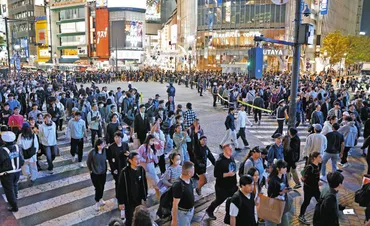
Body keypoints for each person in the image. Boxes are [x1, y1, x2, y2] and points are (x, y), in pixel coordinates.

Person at [206, 144, 238, 220]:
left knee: (235, 199)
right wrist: (227, 174)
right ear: (224, 150)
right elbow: (216, 174)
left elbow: (233, 170)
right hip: (222, 186)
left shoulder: (232, 158)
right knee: (219, 200)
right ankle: (209, 210)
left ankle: (232, 214)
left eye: (231, 149)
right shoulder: (220, 161)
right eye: (229, 149)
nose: (231, 150)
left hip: (232, 185)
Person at [118, 152, 148, 226]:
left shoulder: (141, 170)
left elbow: (144, 184)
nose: (138, 161)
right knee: (130, 218)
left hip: (139, 198)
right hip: (129, 200)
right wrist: (121, 202)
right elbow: (120, 188)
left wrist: (145, 196)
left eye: (139, 159)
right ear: (130, 161)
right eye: (136, 159)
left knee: (139, 216)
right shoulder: (124, 172)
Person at [0, 131, 24, 212]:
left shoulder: (2, 150)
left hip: (6, 174)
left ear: (3, 140)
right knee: (14, 185)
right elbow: (21, 160)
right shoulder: (17, 147)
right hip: (17, 171)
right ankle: (15, 197)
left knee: (9, 190)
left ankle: (14, 206)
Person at [298, 152, 323, 225]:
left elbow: (313, 178)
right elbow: (306, 179)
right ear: (314, 158)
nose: (321, 158)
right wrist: (317, 183)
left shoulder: (317, 166)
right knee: (306, 202)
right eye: (319, 157)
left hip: (315, 188)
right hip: (309, 189)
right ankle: (301, 216)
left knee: (320, 201)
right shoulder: (310, 167)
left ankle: (321, 216)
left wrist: (317, 182)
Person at [107, 131, 130, 204]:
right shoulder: (111, 147)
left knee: (125, 180)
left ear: (122, 138)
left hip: (124, 166)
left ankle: (125, 193)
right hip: (116, 167)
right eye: (115, 137)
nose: (117, 139)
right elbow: (110, 160)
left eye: (118, 137)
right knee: (118, 182)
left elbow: (128, 153)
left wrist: (127, 155)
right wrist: (113, 169)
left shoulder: (125, 144)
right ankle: (118, 196)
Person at [265, 159, 290, 226]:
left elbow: (287, 184)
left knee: (285, 223)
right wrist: (281, 192)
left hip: (283, 204)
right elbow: (270, 195)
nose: (285, 169)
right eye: (284, 167)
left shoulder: (284, 176)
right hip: (275, 206)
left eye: (286, 167)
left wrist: (288, 188)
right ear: (278, 169)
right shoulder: (272, 180)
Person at [137, 134, 161, 200]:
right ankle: (144, 195)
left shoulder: (152, 148)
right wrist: (145, 160)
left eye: (153, 141)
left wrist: (154, 156)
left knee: (156, 181)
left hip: (151, 166)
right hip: (144, 166)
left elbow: (155, 158)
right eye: (152, 140)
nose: (153, 142)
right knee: (145, 182)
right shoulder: (142, 147)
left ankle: (158, 196)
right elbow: (138, 157)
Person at [171, 161, 195, 226]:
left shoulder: (190, 179)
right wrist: (174, 219)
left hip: (190, 211)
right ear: (189, 173)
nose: (194, 171)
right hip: (182, 214)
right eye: (193, 170)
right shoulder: (178, 185)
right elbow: (175, 204)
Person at [87, 138, 107, 211]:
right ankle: (97, 202)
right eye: (101, 145)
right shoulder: (92, 152)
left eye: (103, 144)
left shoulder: (105, 151)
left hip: (103, 172)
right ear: (97, 145)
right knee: (98, 187)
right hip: (95, 173)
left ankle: (100, 198)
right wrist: (91, 170)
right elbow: (88, 162)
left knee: (102, 186)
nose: (102, 146)